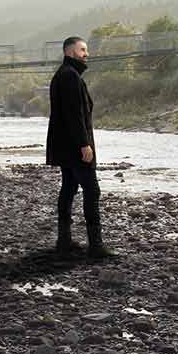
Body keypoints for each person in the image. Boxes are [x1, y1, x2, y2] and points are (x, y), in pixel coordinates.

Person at [46, 36, 114, 259]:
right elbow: (75, 115)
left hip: (65, 146)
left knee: (68, 188)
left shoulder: (64, 74)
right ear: (69, 52)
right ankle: (96, 246)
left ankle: (64, 241)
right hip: (75, 147)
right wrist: (84, 144)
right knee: (92, 190)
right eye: (82, 50)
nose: (86, 54)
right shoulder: (70, 77)